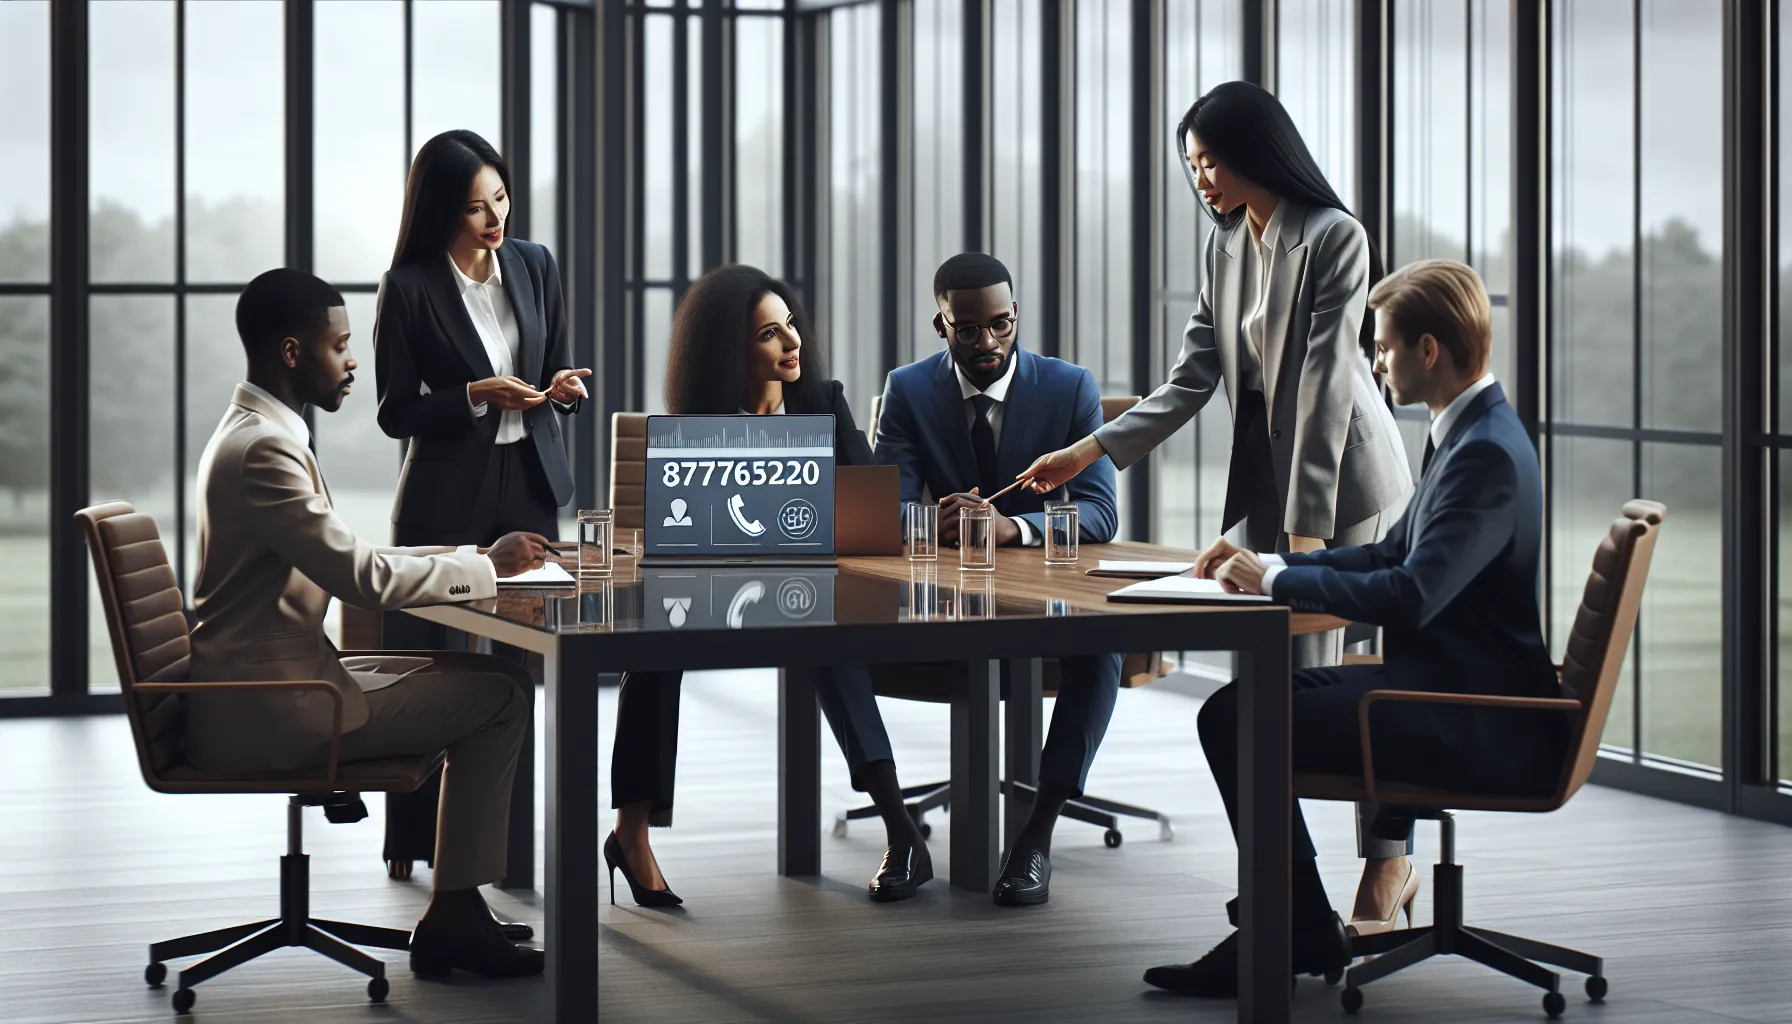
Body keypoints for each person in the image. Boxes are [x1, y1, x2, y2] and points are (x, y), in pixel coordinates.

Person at [1018, 80, 1415, 927]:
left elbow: (1324, 386)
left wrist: (1306, 536)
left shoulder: (1335, 236)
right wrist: (1087, 450)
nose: (1199, 179)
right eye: (1192, 164)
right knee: (1269, 688)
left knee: (1353, 678)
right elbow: (1190, 377)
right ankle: (1289, 893)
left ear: (1253, 154)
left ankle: (1386, 862)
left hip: (1346, 483)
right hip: (1270, 486)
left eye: (1210, 162)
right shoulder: (1226, 243)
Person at [1140, 259, 1567, 996]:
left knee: (1236, 718)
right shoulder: (1472, 434)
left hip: (1467, 714)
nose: (1376, 362)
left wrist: (1272, 583)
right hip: (1439, 688)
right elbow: (1391, 554)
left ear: (1428, 349)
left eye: (1386, 346)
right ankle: (1296, 922)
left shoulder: (1486, 454)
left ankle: (1290, 927)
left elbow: (1411, 594)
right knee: (1239, 710)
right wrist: (1272, 563)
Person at [187, 268, 552, 979]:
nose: (353, 361)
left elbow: (352, 557)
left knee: (493, 679)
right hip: (272, 706)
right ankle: (454, 917)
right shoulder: (265, 450)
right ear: (292, 352)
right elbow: (362, 579)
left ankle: (459, 909)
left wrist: (470, 557)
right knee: (502, 697)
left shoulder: (254, 431)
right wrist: (488, 568)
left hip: (271, 682)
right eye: (340, 345)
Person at [609, 264, 945, 906]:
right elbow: (676, 531)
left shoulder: (824, 401)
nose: (793, 342)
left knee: (831, 637)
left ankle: (902, 832)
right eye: (769, 333)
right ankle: (631, 834)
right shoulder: (701, 419)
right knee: (652, 652)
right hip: (713, 592)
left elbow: (873, 510)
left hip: (811, 589)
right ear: (729, 349)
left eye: (790, 324)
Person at [372, 129, 591, 886]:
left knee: (520, 673)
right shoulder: (408, 287)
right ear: (442, 211)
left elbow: (555, 364)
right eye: (475, 207)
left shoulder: (534, 264)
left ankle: (505, 847)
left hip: (528, 484)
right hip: (443, 498)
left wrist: (562, 391)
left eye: (500, 198)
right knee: (425, 672)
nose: (495, 218)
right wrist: (471, 395)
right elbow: (394, 413)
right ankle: (412, 839)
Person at [875, 252, 1123, 907]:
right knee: (827, 640)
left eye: (1001, 325)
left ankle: (1037, 835)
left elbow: (1100, 512)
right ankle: (901, 831)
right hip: (942, 604)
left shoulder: (1070, 388)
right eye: (968, 329)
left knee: (1103, 643)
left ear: (1015, 316)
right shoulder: (908, 390)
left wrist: (1013, 528)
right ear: (941, 326)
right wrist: (935, 520)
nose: (987, 342)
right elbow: (882, 508)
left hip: (1045, 599)